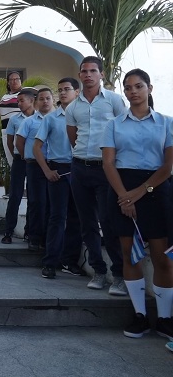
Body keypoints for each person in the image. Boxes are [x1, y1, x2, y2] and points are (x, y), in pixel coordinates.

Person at [101, 68, 173, 342]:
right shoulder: (115, 124)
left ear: (149, 88)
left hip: (156, 188)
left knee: (161, 256)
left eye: (138, 86)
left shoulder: (166, 123)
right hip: (122, 187)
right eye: (128, 87)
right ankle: (140, 315)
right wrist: (124, 196)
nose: (133, 92)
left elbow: (168, 165)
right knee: (130, 251)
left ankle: (165, 318)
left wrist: (140, 193)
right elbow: (108, 163)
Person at [66, 56, 127, 295]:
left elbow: (123, 130)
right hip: (80, 168)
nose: (88, 75)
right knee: (87, 223)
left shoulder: (113, 101)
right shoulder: (73, 107)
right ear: (79, 75)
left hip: (106, 170)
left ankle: (119, 275)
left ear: (101, 74)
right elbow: (73, 137)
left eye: (93, 71)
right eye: (84, 71)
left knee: (108, 221)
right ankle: (99, 271)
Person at [34, 78, 84, 278]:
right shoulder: (51, 118)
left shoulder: (85, 117)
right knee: (57, 216)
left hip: (80, 170)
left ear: (77, 92)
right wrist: (47, 171)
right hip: (58, 171)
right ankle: (50, 262)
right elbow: (37, 147)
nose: (63, 93)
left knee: (77, 217)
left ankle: (69, 261)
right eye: (60, 90)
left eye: (67, 89)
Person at [15, 87, 54, 251]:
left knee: (52, 204)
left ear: (52, 100)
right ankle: (34, 237)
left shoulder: (60, 119)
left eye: (48, 98)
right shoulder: (29, 121)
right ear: (36, 101)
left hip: (54, 164)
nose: (45, 101)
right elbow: (19, 142)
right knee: (36, 202)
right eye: (42, 99)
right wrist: (26, 157)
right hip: (35, 166)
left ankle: (48, 238)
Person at [1, 87, 36, 244]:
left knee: (33, 196)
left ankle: (29, 231)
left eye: (22, 101)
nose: (19, 104)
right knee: (15, 195)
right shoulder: (14, 120)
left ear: (31, 101)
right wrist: (18, 155)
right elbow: (10, 141)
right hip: (19, 160)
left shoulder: (41, 118)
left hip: (36, 161)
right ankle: (8, 231)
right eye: (17, 101)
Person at [0, 71, 24, 166]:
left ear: (21, 81)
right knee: (12, 162)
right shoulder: (4, 97)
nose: (14, 81)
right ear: (8, 82)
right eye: (11, 79)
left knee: (21, 158)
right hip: (5, 130)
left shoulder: (24, 94)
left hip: (20, 129)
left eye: (17, 79)